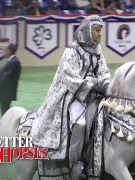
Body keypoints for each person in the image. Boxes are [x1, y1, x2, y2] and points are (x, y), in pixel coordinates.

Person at [30, 14, 111, 176]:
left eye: (100, 30)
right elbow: (70, 78)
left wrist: (106, 84)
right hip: (73, 95)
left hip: (94, 94)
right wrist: (93, 85)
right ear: (88, 31)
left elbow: (103, 71)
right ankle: (75, 165)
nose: (99, 34)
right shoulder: (72, 51)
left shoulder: (97, 50)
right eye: (96, 30)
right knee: (80, 123)